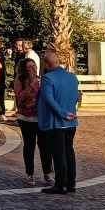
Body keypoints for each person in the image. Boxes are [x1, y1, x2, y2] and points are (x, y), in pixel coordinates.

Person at [38, 51, 79, 195]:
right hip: (71, 122)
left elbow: (49, 100)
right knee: (69, 152)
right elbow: (76, 96)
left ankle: (60, 184)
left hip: (57, 121)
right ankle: (71, 183)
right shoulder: (72, 76)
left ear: (48, 64)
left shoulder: (47, 78)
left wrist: (62, 113)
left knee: (59, 153)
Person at [13, 57, 52, 187]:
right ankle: (30, 174)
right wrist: (30, 84)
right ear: (24, 69)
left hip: (41, 118)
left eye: (34, 66)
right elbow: (19, 98)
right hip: (26, 118)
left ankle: (47, 173)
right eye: (29, 67)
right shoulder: (20, 80)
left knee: (45, 145)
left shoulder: (42, 79)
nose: (32, 69)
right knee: (29, 145)